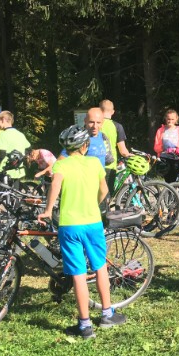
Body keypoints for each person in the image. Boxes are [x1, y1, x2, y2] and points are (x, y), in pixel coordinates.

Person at [38, 125, 126, 339]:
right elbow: (104, 190)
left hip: (70, 225)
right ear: (85, 145)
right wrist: (94, 204)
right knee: (100, 267)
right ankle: (107, 314)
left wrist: (48, 210)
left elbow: (55, 186)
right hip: (93, 223)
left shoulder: (61, 165)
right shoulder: (95, 163)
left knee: (78, 275)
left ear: (67, 148)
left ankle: (85, 325)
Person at [100, 100, 130, 191]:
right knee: (107, 193)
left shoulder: (93, 124)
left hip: (93, 165)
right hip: (109, 165)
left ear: (100, 110)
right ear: (113, 112)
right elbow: (123, 151)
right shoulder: (117, 126)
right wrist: (130, 155)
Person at [0, 111, 31, 181]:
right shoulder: (20, 134)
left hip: (5, 171)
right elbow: (29, 148)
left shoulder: (3, 134)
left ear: (3, 120)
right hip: (18, 171)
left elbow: (2, 154)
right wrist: (19, 158)